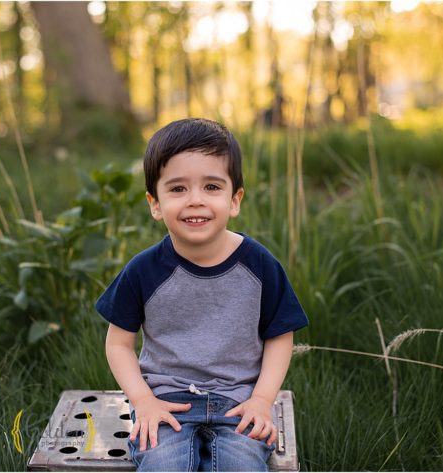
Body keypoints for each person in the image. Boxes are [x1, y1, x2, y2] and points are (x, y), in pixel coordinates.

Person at [96, 118, 308, 471]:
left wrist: (261, 399)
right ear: (155, 204)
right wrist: (143, 400)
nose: (195, 200)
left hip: (239, 399)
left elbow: (280, 336)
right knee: (163, 463)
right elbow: (118, 344)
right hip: (165, 400)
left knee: (241, 465)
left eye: (211, 187)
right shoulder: (144, 270)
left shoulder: (260, 265)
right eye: (178, 189)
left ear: (234, 199)